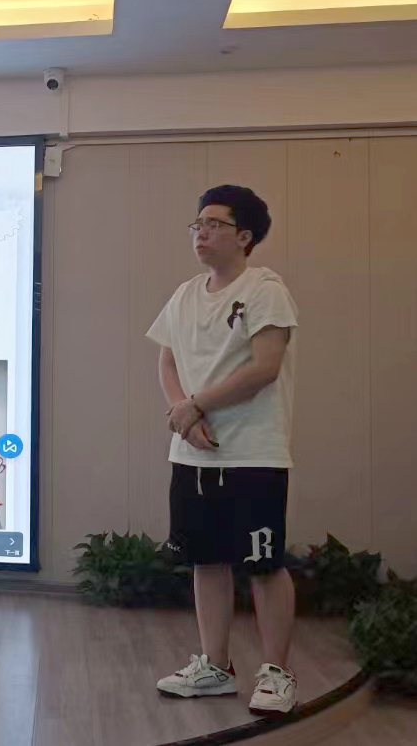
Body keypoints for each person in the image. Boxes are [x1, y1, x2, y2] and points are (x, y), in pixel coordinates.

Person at [147, 185, 300, 716]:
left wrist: (195, 406)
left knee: (263, 563)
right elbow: (167, 360)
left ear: (245, 236)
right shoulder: (185, 293)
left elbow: (265, 367)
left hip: (253, 452)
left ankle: (277, 673)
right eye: (197, 224)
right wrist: (181, 413)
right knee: (205, 559)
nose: (201, 233)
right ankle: (215, 666)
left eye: (214, 224)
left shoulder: (265, 289)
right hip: (193, 452)